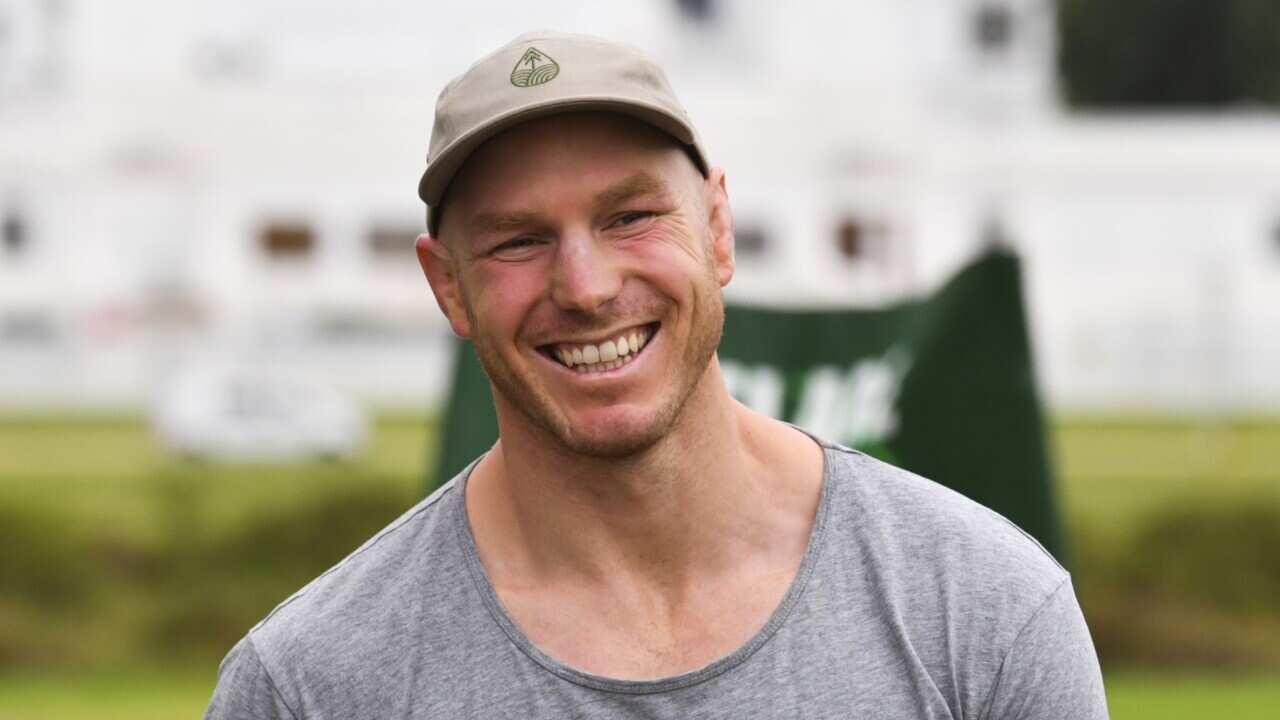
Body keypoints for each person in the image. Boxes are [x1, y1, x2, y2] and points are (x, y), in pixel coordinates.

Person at [205, 30, 1109, 718]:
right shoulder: (313, 684)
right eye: (520, 240)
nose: (587, 287)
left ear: (717, 228)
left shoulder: (982, 609)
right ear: (449, 286)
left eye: (631, 217)